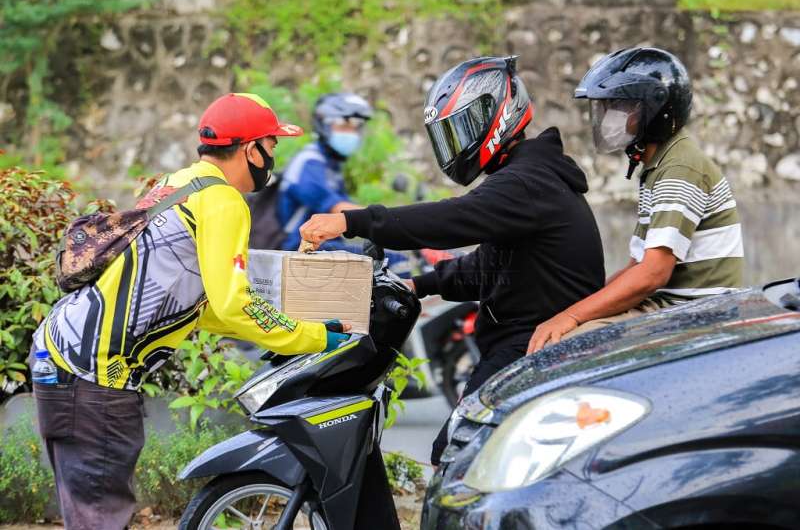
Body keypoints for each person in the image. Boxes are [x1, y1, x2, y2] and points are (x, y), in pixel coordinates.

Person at [29, 93, 351, 530]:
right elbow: (233, 304)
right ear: (249, 149)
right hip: (93, 379)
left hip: (62, 357)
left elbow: (203, 307)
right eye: (271, 146)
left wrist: (304, 329)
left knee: (89, 511)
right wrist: (315, 338)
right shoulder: (223, 202)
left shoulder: (176, 184)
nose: (273, 157)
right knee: (100, 517)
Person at [300, 56, 606, 465]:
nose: (457, 143)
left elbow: (452, 219)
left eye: (462, 128)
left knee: (455, 454)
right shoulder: (527, 179)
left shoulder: (527, 182)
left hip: (532, 345)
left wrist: (352, 221)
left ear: (497, 117)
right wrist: (419, 285)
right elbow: (489, 266)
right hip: (525, 342)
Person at [527, 47, 744, 353]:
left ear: (655, 109)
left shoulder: (679, 169)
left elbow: (652, 273)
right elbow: (636, 267)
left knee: (563, 348)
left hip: (691, 313)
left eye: (620, 106)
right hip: (668, 304)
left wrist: (570, 316)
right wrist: (578, 308)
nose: (609, 116)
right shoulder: (660, 165)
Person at [277, 92, 372, 251]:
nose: (350, 133)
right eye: (343, 126)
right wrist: (390, 220)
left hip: (325, 246)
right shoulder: (310, 163)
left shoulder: (330, 164)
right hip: (299, 249)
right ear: (323, 125)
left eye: (355, 128)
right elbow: (339, 209)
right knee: (393, 260)